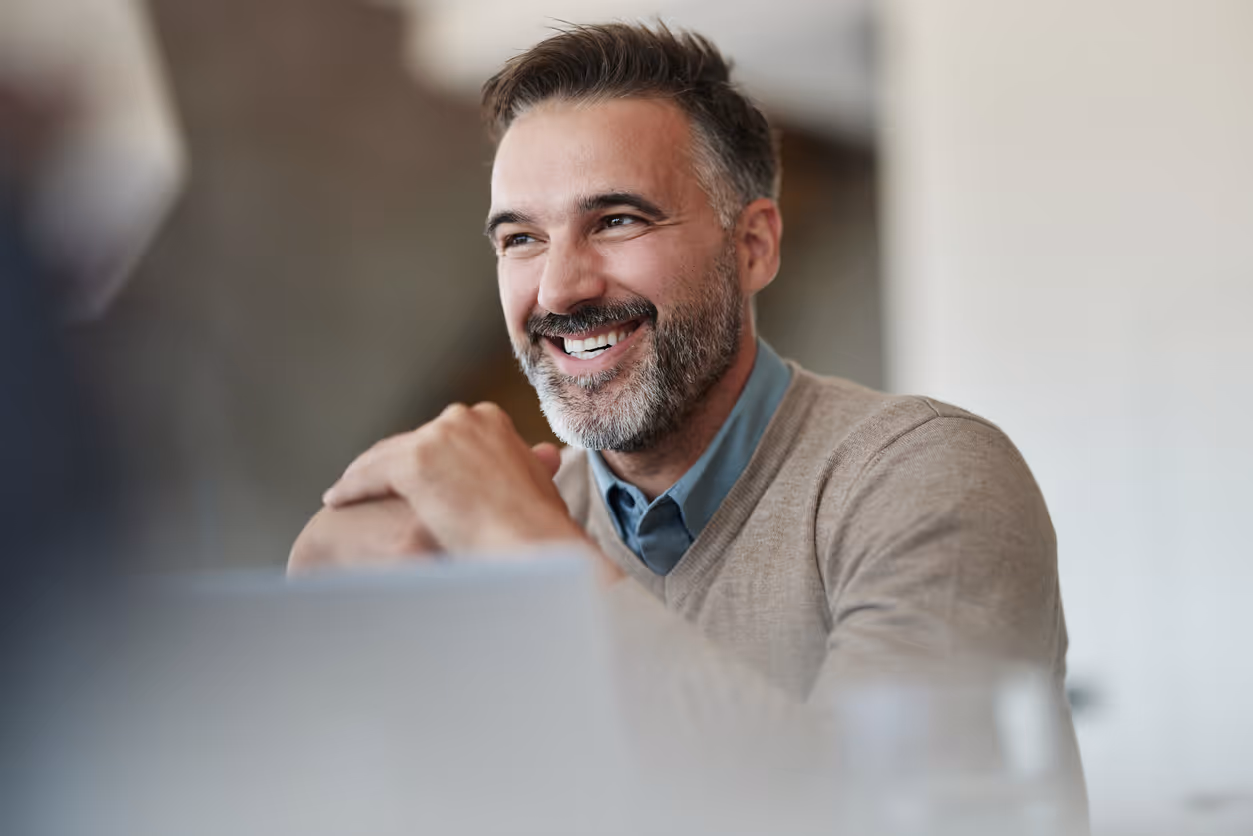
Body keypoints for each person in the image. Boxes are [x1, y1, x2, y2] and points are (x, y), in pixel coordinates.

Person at [289, 22, 1070, 709]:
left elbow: (867, 811)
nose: (559, 288)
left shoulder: (924, 475)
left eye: (617, 219)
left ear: (753, 244)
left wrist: (530, 558)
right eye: (520, 239)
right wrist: (323, 648)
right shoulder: (482, 536)